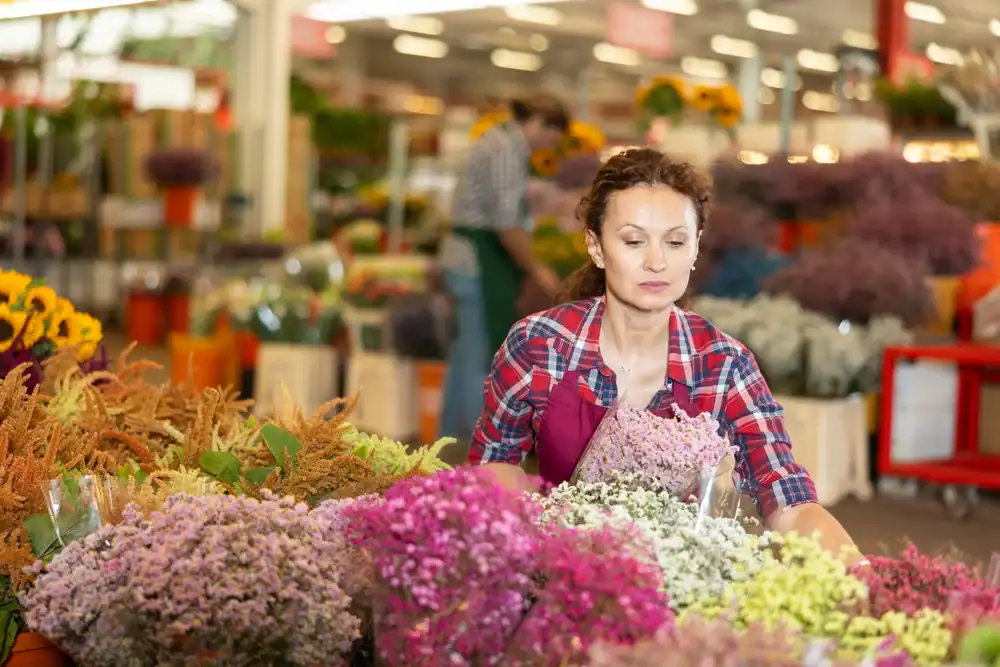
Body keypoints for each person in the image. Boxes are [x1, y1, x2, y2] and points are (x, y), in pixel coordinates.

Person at [468, 148, 862, 562]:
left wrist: (860, 570)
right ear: (597, 247)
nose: (656, 262)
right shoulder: (540, 344)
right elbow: (493, 465)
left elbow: (789, 498)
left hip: (675, 579)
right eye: (634, 241)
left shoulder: (723, 364)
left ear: (695, 250)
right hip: (557, 569)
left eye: (675, 242)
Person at [437, 94, 569, 438]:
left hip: (464, 258)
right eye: (550, 137)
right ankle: (473, 446)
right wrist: (540, 271)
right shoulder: (507, 150)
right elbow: (506, 223)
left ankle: (448, 439)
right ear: (537, 122)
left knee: (465, 353)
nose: (548, 146)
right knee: (481, 356)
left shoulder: (495, 140)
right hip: (477, 262)